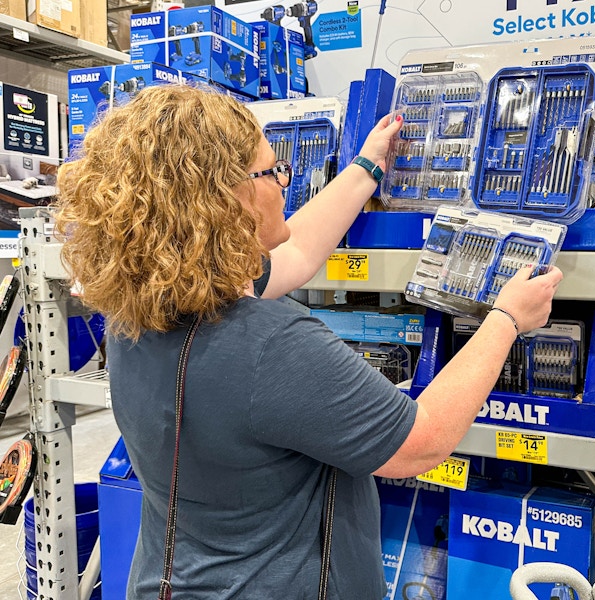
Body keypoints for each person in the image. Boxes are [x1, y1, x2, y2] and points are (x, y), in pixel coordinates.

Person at [55, 84, 563, 599]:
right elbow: (421, 443)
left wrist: (367, 166)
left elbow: (295, 254)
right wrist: (506, 319)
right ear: (226, 196)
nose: (283, 182)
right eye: (272, 171)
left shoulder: (138, 309)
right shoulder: (269, 345)